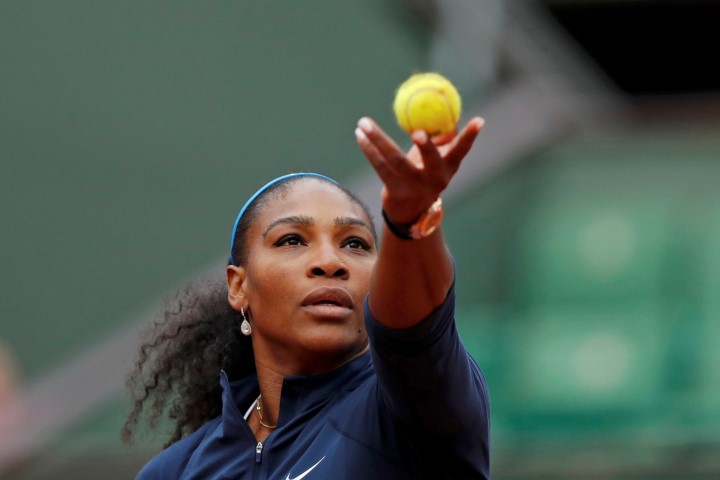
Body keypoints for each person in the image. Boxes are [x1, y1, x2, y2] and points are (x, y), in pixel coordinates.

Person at [124, 115, 490, 479]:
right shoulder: (173, 471)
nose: (331, 262)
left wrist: (410, 221)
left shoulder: (412, 409)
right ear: (238, 286)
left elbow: (415, 331)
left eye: (355, 244)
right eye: (292, 240)